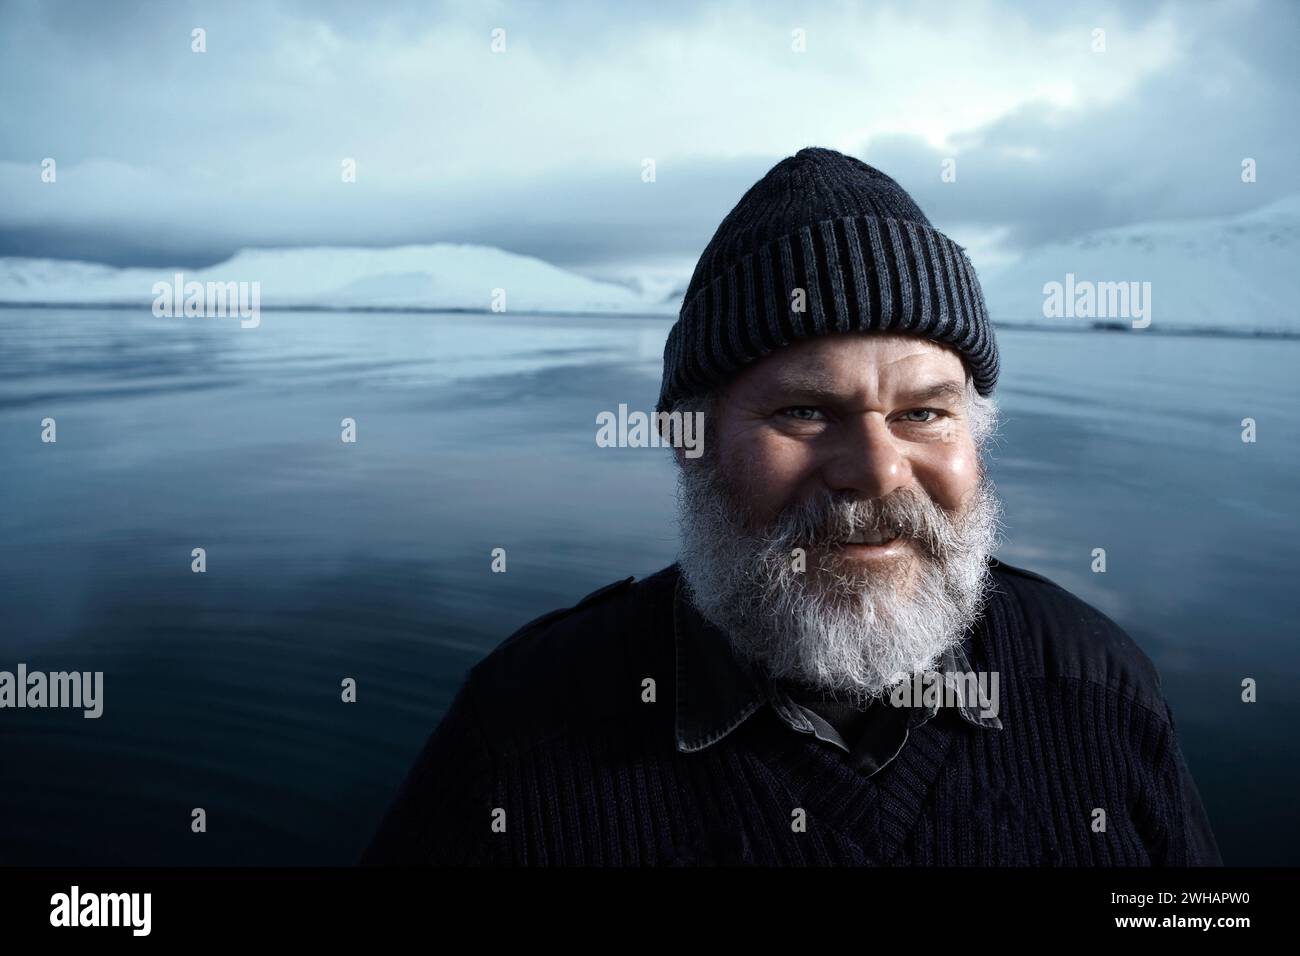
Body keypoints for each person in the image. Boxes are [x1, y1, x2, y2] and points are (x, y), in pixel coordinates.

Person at [362, 147, 1221, 866]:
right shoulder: (526, 724)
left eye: (923, 412)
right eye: (804, 411)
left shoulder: (1096, 683)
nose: (878, 472)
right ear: (687, 440)